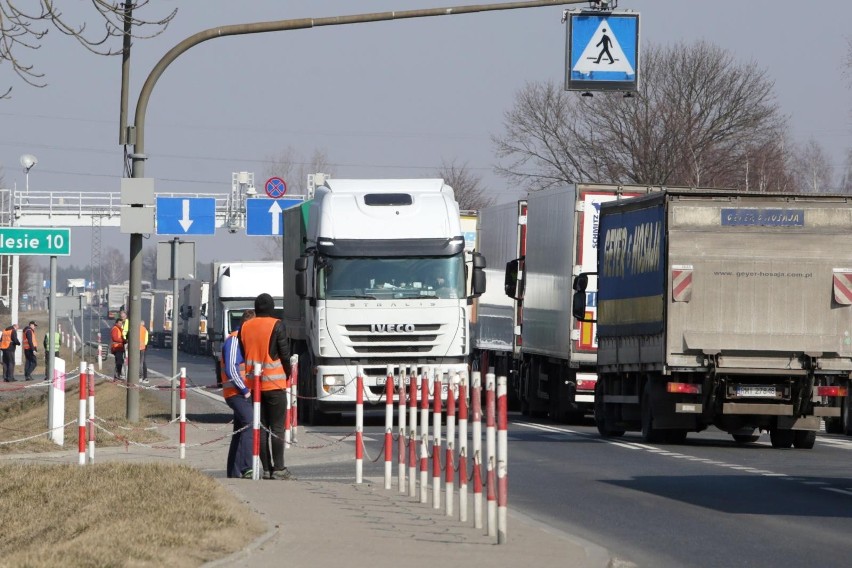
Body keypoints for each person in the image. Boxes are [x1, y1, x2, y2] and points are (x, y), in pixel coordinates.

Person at [239, 293, 293, 480]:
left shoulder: (245, 327)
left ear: (256, 308)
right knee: (277, 428)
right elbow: (284, 354)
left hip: (254, 386)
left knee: (261, 428)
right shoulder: (277, 325)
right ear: (271, 308)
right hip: (275, 384)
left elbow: (243, 351)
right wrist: (288, 373)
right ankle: (279, 469)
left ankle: (266, 468)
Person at [222, 309, 256, 479]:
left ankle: (234, 473)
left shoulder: (243, 341)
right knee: (249, 424)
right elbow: (231, 369)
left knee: (240, 429)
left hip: (240, 392)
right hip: (235, 392)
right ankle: (246, 467)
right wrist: (245, 390)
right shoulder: (234, 340)